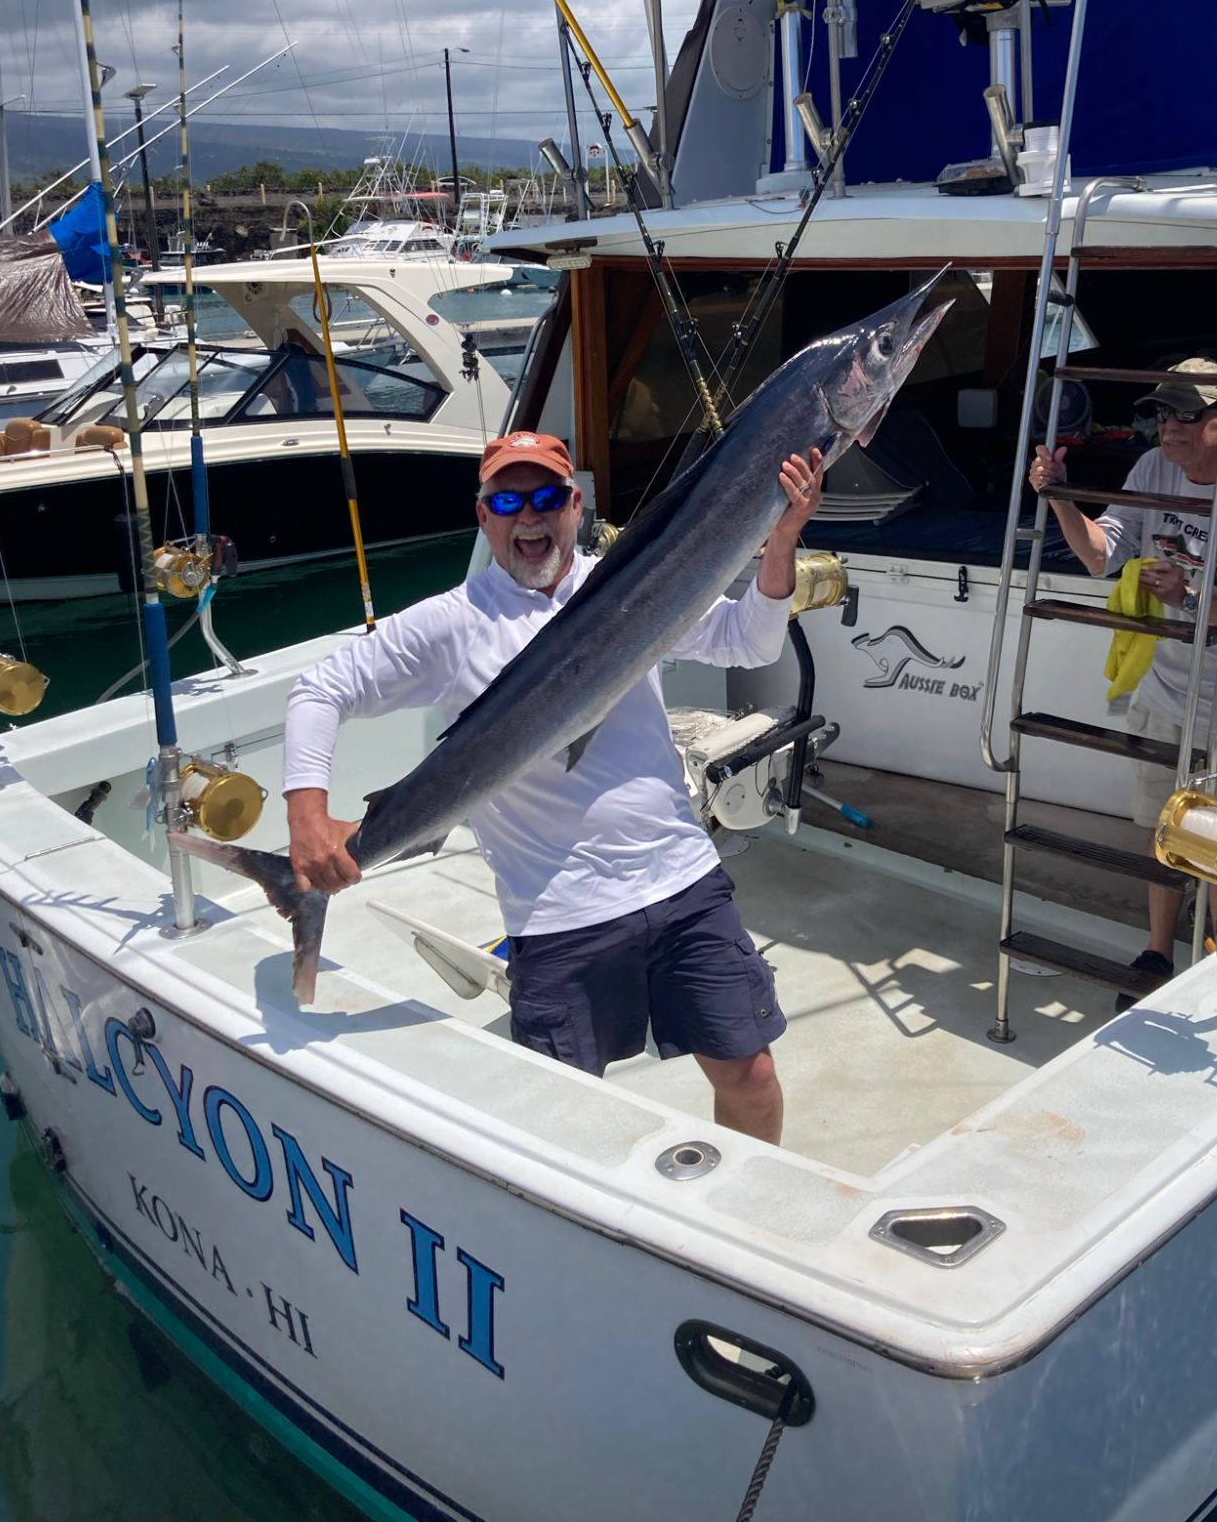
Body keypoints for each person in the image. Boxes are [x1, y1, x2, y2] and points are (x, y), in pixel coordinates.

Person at [283, 429, 825, 1144]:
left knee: (751, 1077)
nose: (528, 517)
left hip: (681, 879)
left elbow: (745, 642)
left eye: (546, 498)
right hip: (560, 912)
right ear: (483, 517)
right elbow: (322, 688)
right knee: (560, 1121)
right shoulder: (453, 623)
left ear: (576, 507)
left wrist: (781, 538)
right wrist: (308, 817)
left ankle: (757, 1222)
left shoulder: (633, 585)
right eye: (507, 500)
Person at [1029, 358, 1217, 998]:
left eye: (1187, 414)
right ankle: (1158, 952)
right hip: (1170, 692)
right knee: (1167, 831)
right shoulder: (1152, 470)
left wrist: (1188, 596)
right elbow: (1103, 556)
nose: (1170, 428)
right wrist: (1062, 497)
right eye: (1163, 413)